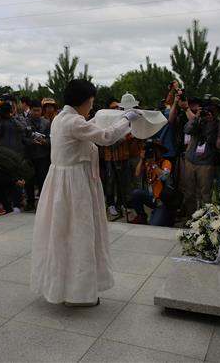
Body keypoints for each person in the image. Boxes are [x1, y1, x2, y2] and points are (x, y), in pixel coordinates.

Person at [31, 79, 140, 306]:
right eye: (90, 102)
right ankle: (77, 293)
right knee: (80, 235)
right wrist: (126, 120)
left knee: (62, 235)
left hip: (61, 183)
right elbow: (106, 137)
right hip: (75, 185)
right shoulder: (74, 122)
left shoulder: (61, 118)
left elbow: (89, 128)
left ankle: (63, 287)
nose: (91, 106)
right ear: (83, 101)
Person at [182, 100, 219, 216]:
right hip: (190, 160)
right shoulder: (198, 119)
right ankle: (191, 217)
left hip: (206, 162)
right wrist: (196, 117)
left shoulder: (217, 123)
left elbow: (212, 139)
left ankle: (205, 221)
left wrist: (210, 122)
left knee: (205, 194)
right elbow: (187, 130)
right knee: (188, 193)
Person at [128, 140, 173, 226]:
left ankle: (165, 215)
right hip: (152, 199)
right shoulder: (148, 163)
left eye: (155, 151)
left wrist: (153, 164)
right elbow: (137, 174)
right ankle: (141, 216)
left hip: (162, 202)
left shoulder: (166, 162)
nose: (153, 153)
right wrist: (142, 159)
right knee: (136, 193)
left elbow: (164, 177)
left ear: (160, 152)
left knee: (153, 226)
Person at [23, 99, 51, 211]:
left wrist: (45, 142)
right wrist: (31, 142)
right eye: (34, 110)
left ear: (41, 110)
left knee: (42, 180)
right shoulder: (24, 122)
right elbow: (22, 139)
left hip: (42, 157)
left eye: (38, 110)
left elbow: (51, 139)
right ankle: (30, 202)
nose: (36, 113)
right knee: (29, 180)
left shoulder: (46, 123)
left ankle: (42, 204)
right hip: (29, 156)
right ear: (30, 110)